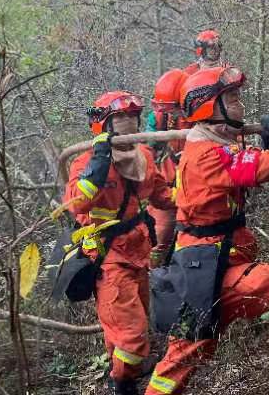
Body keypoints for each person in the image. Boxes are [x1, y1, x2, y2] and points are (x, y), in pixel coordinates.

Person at [146, 67, 269, 395]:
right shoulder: (206, 156)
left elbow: (260, 168)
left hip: (221, 261)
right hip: (205, 269)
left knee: (188, 354)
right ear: (209, 107)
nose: (241, 105)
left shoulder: (217, 143)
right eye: (232, 99)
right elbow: (267, 166)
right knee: (188, 353)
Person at [64, 91, 175, 395]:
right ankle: (124, 385)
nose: (129, 123)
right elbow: (77, 204)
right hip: (108, 260)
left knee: (125, 333)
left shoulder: (145, 157)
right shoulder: (85, 163)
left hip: (139, 255)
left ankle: (121, 373)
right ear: (104, 125)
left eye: (132, 116)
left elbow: (163, 197)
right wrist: (100, 161)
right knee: (133, 336)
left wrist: (199, 188)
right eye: (120, 118)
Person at [146, 68, 188, 268]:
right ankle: (151, 275)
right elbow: (147, 147)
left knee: (192, 242)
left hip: (197, 188)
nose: (170, 113)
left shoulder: (205, 113)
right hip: (169, 187)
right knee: (157, 238)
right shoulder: (159, 117)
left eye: (173, 108)